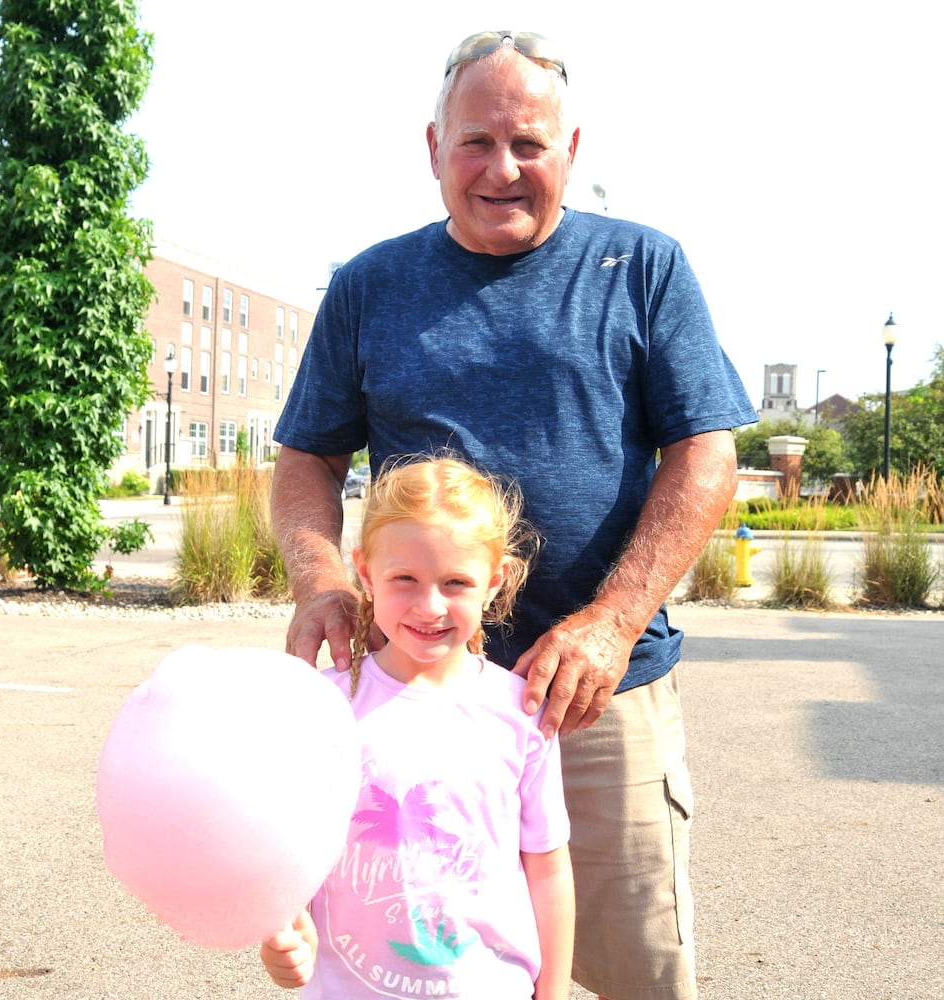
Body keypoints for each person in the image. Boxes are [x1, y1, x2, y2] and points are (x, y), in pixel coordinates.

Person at [271, 29, 757, 1000]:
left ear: (571, 151)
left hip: (595, 700)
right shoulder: (368, 286)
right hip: (408, 705)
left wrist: (612, 622)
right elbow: (305, 458)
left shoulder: (644, 268)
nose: (502, 168)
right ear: (432, 148)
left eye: (528, 144)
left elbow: (704, 452)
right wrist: (321, 574)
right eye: (475, 143)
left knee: (635, 975)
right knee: (406, 966)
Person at [260, 456, 575, 999]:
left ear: (494, 582)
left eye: (456, 582)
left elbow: (547, 869)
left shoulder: (521, 712)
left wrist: (553, 992)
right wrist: (279, 932)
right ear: (364, 573)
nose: (430, 606)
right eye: (404, 578)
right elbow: (286, 849)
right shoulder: (326, 707)